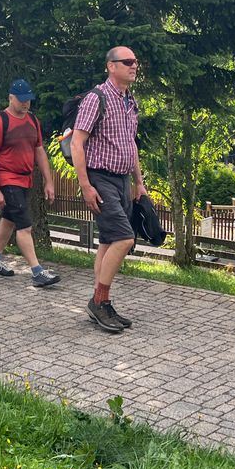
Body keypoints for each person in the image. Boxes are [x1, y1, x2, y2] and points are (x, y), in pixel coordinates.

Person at [72, 47, 146, 333]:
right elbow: (78, 143)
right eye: (127, 62)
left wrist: (139, 182)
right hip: (99, 178)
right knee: (125, 239)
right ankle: (98, 301)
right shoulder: (96, 98)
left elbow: (131, 144)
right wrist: (85, 185)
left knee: (107, 241)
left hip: (122, 180)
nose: (134, 66)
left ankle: (101, 302)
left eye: (136, 62)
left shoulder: (130, 101)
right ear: (110, 66)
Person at [0, 79, 60, 287]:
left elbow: (39, 151)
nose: (26, 104)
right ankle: (37, 272)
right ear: (11, 98)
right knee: (25, 226)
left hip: (25, 179)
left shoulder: (33, 120)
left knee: (9, 219)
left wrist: (48, 181)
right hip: (7, 178)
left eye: (29, 100)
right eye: (22, 100)